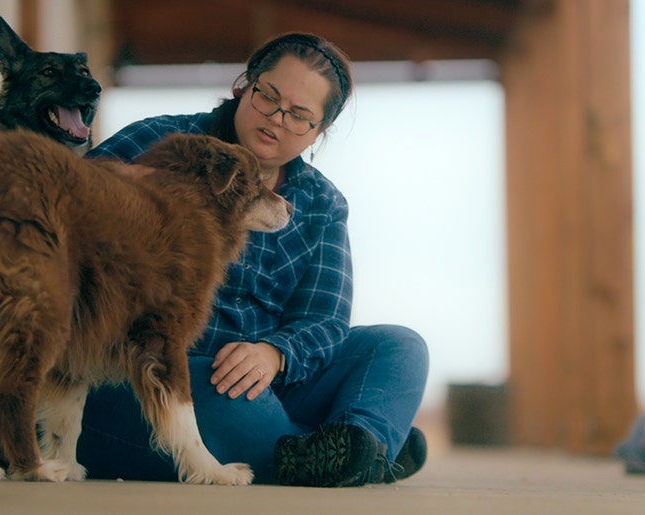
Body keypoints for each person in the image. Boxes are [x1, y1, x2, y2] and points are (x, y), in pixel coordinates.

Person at [76, 32, 429, 487]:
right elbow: (69, 218)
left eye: (299, 116)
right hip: (153, 371)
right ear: (245, 85)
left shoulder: (321, 203)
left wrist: (275, 354)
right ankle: (366, 449)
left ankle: (351, 445)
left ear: (319, 131)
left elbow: (324, 322)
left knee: (399, 347)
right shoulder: (160, 141)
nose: (276, 120)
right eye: (268, 97)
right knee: (240, 408)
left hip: (266, 377)